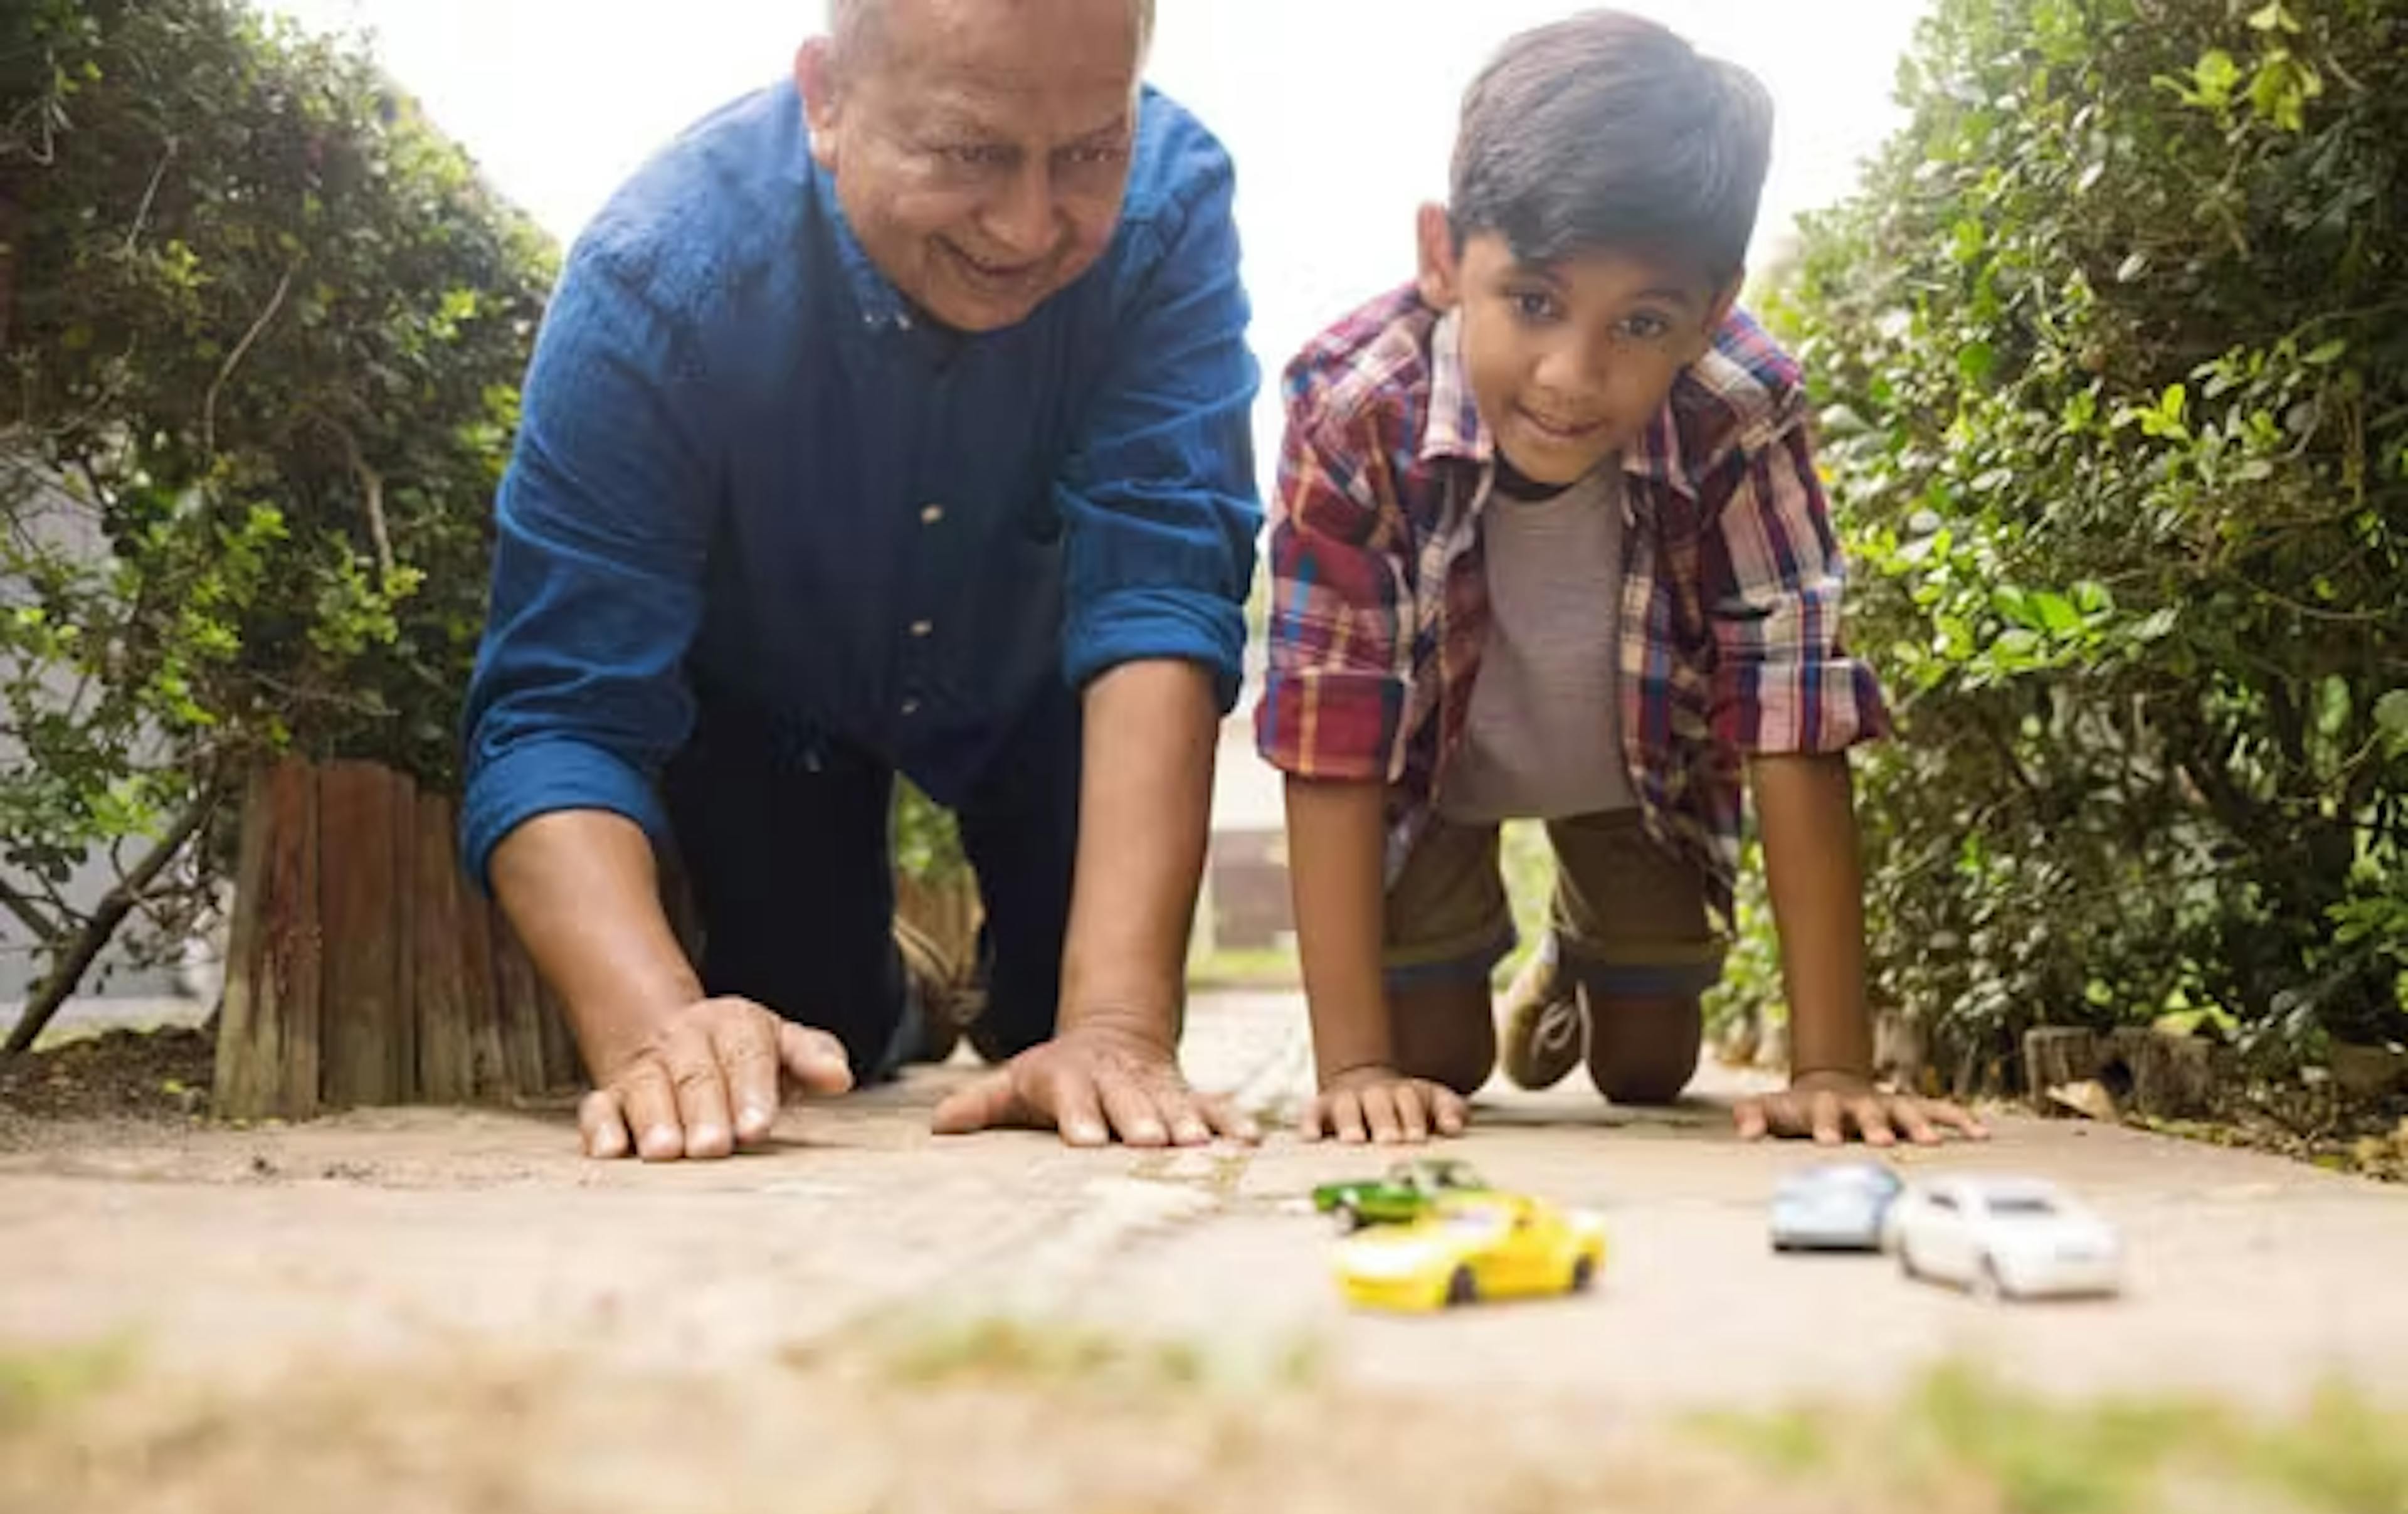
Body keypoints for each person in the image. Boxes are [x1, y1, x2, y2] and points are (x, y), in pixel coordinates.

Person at [462, 0, 1264, 1160]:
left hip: (1051, 687)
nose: (1030, 224)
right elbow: (553, 709)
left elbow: (1165, 577)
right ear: (827, 101)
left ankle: (1018, 996)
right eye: (967, 152)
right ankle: (911, 994)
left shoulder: (1173, 203)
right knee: (819, 1026)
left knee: (1065, 1033)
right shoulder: (655, 273)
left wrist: (1117, 1025)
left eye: (1090, 151)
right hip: (778, 705)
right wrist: (654, 1032)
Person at [1256, 9, 1987, 1148]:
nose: (1572, 376)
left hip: (1636, 766)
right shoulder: (1353, 408)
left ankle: (1577, 955)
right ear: (1444, 257)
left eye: (1642, 324)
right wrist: (1351, 1066)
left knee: (1649, 1071)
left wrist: (1831, 1064)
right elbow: (1328, 713)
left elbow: (1791, 692)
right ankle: (1455, 979)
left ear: (1713, 310)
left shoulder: (1741, 408)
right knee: (1433, 1066)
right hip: (1427, 777)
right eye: (1535, 303)